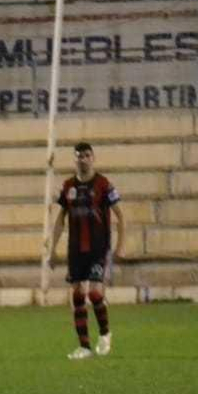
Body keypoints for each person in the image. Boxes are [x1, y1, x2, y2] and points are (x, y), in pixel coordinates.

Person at [45, 142, 124, 360]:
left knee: (95, 293)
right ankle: (84, 347)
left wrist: (120, 246)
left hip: (99, 248)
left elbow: (121, 216)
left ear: (93, 158)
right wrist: (52, 251)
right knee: (78, 296)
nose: (83, 159)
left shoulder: (103, 184)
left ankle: (105, 333)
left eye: (87, 155)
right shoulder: (68, 186)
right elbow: (60, 220)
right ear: (74, 159)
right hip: (76, 250)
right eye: (79, 156)